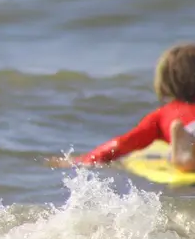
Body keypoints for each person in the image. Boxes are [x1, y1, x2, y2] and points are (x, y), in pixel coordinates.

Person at [49, 42, 195, 171]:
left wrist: (83, 160)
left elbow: (122, 144)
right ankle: (187, 148)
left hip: (188, 131)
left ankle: (184, 154)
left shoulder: (163, 114)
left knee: (181, 147)